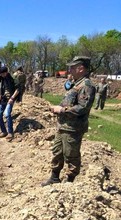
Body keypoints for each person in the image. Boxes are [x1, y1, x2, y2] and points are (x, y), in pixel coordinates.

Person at [42, 56, 96, 186]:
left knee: (71, 155)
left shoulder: (87, 85)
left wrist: (61, 110)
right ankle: (54, 177)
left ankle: (70, 182)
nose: (69, 69)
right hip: (63, 125)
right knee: (57, 152)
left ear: (81, 68)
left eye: (72, 67)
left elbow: (83, 107)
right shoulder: (76, 83)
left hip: (73, 128)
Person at [0, 66, 20, 141]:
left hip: (10, 100)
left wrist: (12, 98)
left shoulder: (12, 79)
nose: (1, 75)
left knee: (7, 114)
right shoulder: (0, 79)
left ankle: (10, 132)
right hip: (1, 100)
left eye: (2, 73)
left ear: (6, 72)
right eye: (1, 74)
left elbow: (18, 89)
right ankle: (4, 131)